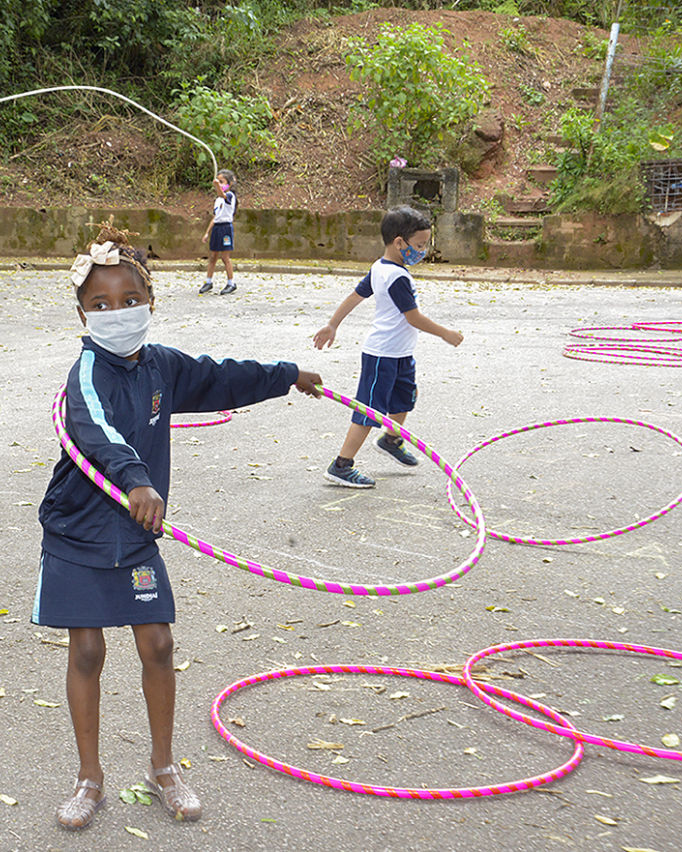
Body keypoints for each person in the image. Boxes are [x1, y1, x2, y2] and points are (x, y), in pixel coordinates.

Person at [35, 223, 323, 830]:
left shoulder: (161, 366)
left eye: (130, 300)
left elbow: (221, 378)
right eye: (101, 305)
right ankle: (89, 777)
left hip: (136, 532)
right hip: (79, 531)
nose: (118, 313)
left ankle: (163, 767)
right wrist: (138, 480)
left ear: (151, 303)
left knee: (159, 644)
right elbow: (96, 433)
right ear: (82, 314)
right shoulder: (84, 374)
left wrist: (286, 375)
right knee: (87, 650)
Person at [312, 205, 463, 488]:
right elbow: (413, 317)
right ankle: (341, 465)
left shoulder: (381, 267)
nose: (423, 250)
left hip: (401, 354)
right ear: (399, 242)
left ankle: (391, 439)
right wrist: (446, 334)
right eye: (419, 245)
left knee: (404, 400)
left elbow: (356, 296)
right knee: (369, 410)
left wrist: (333, 324)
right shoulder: (396, 277)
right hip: (382, 355)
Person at [199, 169, 237, 295]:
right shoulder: (218, 200)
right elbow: (215, 217)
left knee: (225, 257)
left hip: (226, 228)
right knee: (213, 257)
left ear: (229, 184)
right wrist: (207, 232)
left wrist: (216, 185)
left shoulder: (230, 196)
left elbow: (222, 194)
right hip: (216, 228)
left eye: (222, 182)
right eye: (219, 181)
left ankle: (231, 283)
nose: (220, 184)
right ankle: (208, 282)